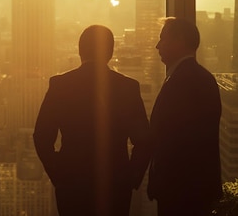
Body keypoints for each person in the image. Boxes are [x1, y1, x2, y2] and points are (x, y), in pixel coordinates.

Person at [33, 25, 152, 216]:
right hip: (115, 184)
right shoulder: (128, 87)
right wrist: (130, 178)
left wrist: (59, 174)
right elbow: (144, 141)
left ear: (80, 51)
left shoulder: (60, 85)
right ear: (110, 52)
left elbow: (41, 137)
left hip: (72, 184)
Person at [147, 17, 222, 216]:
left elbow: (174, 139)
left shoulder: (185, 81)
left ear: (179, 40)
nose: (157, 45)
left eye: (162, 39)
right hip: (190, 190)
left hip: (182, 192)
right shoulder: (199, 78)